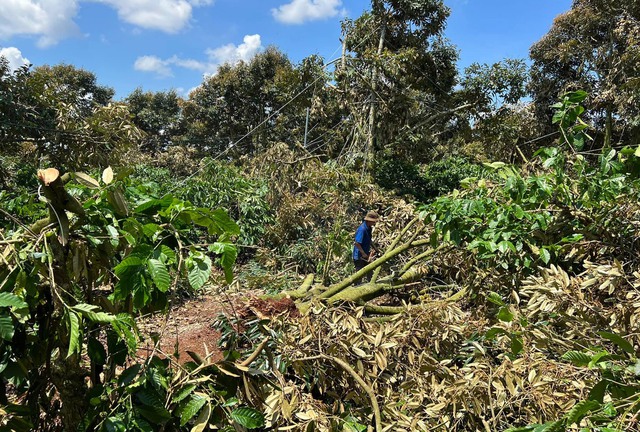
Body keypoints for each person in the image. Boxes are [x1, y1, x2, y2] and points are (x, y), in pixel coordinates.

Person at [352, 210, 380, 285]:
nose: (374, 223)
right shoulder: (362, 229)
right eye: (373, 222)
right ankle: (356, 289)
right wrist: (363, 254)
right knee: (359, 274)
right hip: (359, 256)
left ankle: (371, 285)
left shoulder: (369, 228)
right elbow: (357, 243)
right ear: (369, 221)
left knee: (369, 270)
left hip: (366, 253)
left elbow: (369, 240)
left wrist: (375, 248)